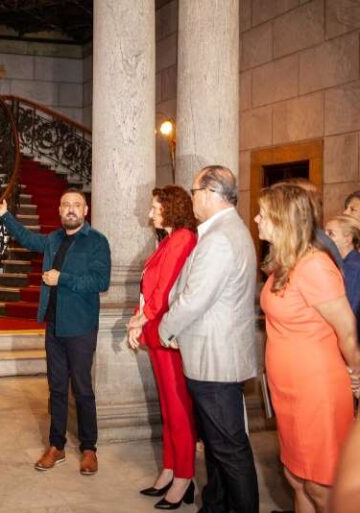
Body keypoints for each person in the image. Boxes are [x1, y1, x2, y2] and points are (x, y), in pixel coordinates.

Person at [159, 165, 259, 513]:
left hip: (216, 359)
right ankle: (215, 505)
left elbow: (195, 297)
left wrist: (165, 328)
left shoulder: (220, 238)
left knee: (229, 450)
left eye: (195, 191)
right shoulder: (222, 230)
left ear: (212, 193)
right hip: (213, 354)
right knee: (218, 448)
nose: (192, 198)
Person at [0, 189, 111, 476]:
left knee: (82, 389)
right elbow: (30, 240)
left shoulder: (96, 242)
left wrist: (62, 279)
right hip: (54, 326)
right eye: (66, 204)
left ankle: (89, 449)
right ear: (59, 210)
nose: (71, 209)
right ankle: (56, 446)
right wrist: (5, 216)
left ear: (85, 210)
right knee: (56, 388)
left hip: (80, 327)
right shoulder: (54, 239)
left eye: (76, 205)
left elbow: (100, 281)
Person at [256, 185, 360, 513]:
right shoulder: (282, 261)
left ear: (284, 219)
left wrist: (357, 373)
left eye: (264, 212)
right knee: (295, 477)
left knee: (320, 483)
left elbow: (347, 331)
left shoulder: (315, 265)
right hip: (287, 389)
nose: (257, 218)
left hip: (318, 391)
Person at [127, 186, 197, 509]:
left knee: (179, 409)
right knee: (168, 408)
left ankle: (185, 476)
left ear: (171, 207)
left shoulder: (183, 237)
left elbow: (167, 287)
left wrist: (139, 321)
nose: (150, 213)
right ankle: (170, 469)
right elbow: (149, 287)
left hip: (170, 335)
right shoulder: (168, 239)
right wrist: (137, 322)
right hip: (155, 332)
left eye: (155, 207)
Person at [325, 214, 360, 318]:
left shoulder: (354, 267)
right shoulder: (340, 262)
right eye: (325, 233)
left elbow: (350, 311)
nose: (325, 238)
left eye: (331, 234)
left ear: (347, 239)